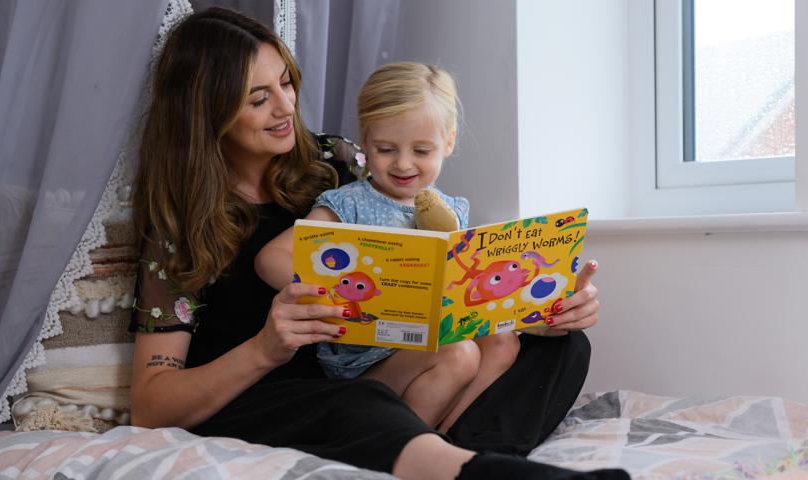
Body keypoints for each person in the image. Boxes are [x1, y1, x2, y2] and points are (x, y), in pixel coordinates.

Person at [129, 6, 627, 480]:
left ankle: (466, 455)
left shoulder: (334, 161)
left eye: (285, 83)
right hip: (279, 393)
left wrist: (541, 307)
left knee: (561, 350)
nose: (286, 108)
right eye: (258, 98)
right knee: (360, 407)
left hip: (382, 368)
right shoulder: (180, 225)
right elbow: (151, 407)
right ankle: (477, 466)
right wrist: (263, 350)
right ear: (209, 113)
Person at [254, 61, 521, 432]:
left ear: (449, 141)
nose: (403, 164)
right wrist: (337, 297)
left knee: (504, 343)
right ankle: (400, 445)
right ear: (365, 141)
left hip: (427, 340)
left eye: (422, 151)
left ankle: (451, 439)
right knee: (460, 355)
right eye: (386, 149)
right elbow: (271, 259)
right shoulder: (349, 203)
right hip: (366, 362)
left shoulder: (452, 211)